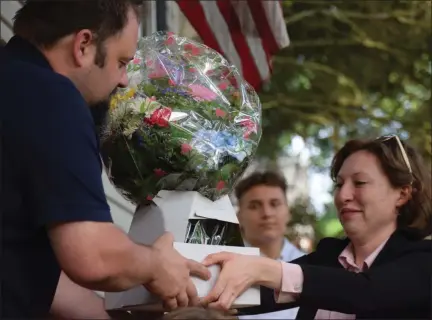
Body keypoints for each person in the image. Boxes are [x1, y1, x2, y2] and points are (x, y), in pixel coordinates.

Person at [0, 1, 209, 318]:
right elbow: (93, 255)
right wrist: (157, 264)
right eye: (122, 62)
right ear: (83, 45)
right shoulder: (53, 96)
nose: (124, 80)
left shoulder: (13, 80)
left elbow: (23, 265)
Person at [201, 136, 432, 319]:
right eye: (339, 184)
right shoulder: (328, 257)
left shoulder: (423, 259)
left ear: (402, 194)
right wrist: (184, 285)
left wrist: (264, 270)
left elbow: (365, 293)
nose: (342, 195)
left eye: (359, 183)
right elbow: (250, 294)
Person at [234, 171, 304, 319]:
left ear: (288, 212)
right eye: (254, 206)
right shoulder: (224, 266)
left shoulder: (309, 267)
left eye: (275, 204)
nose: (267, 213)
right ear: (239, 217)